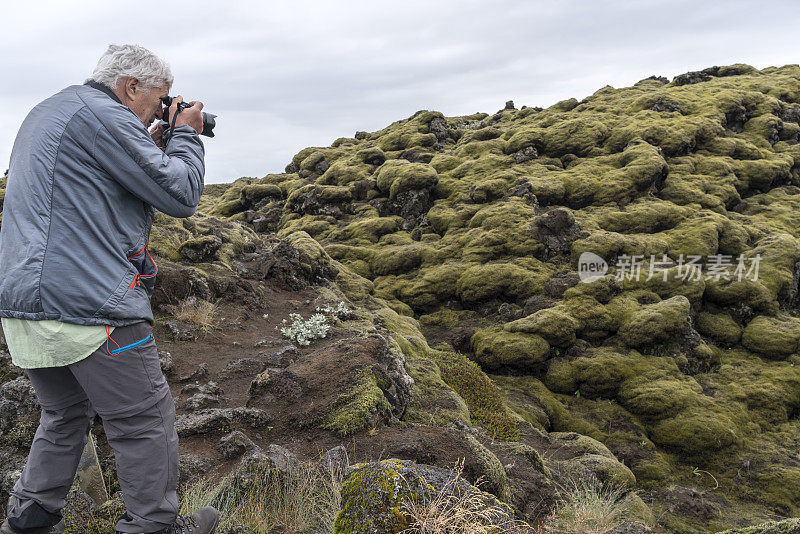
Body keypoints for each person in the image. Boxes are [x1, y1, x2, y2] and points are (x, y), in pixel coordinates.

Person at [0, 44, 219, 534]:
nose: (158, 110)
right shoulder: (102, 114)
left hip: (24, 306)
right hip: (90, 305)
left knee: (63, 413)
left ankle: (29, 518)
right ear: (131, 87)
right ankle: (154, 526)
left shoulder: (52, 111)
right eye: (157, 100)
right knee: (144, 418)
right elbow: (180, 194)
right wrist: (185, 136)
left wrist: (146, 138)